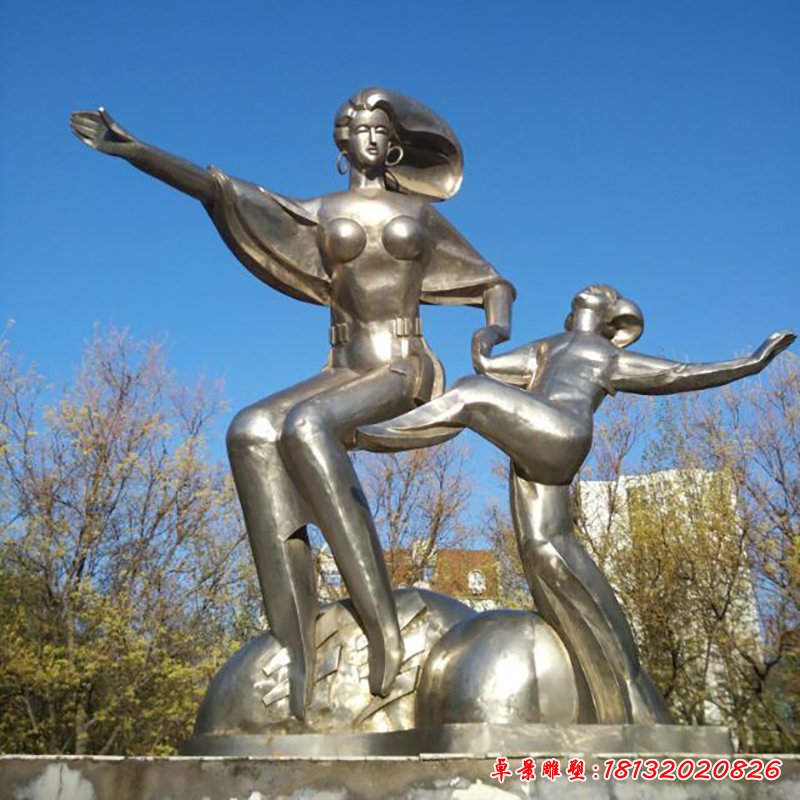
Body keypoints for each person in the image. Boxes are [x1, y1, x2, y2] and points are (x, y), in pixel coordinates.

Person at [70, 88, 515, 719]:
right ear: (342, 144)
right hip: (343, 365)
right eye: (358, 128)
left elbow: (494, 283)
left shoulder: (418, 214)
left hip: (403, 365)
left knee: (307, 426)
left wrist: (491, 332)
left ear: (394, 146)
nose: (369, 137)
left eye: (380, 129)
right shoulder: (318, 212)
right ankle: (296, 637)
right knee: (250, 430)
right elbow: (220, 190)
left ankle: (382, 625)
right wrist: (135, 149)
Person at [359, 284, 794, 723]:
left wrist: (752, 362)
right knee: (543, 544)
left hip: (562, 434)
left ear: (612, 316)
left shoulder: (606, 354)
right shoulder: (547, 347)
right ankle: (621, 694)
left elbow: (677, 374)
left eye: (606, 291)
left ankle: (373, 434)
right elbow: (488, 365)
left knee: (471, 394)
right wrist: (487, 334)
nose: (594, 288)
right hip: (534, 439)